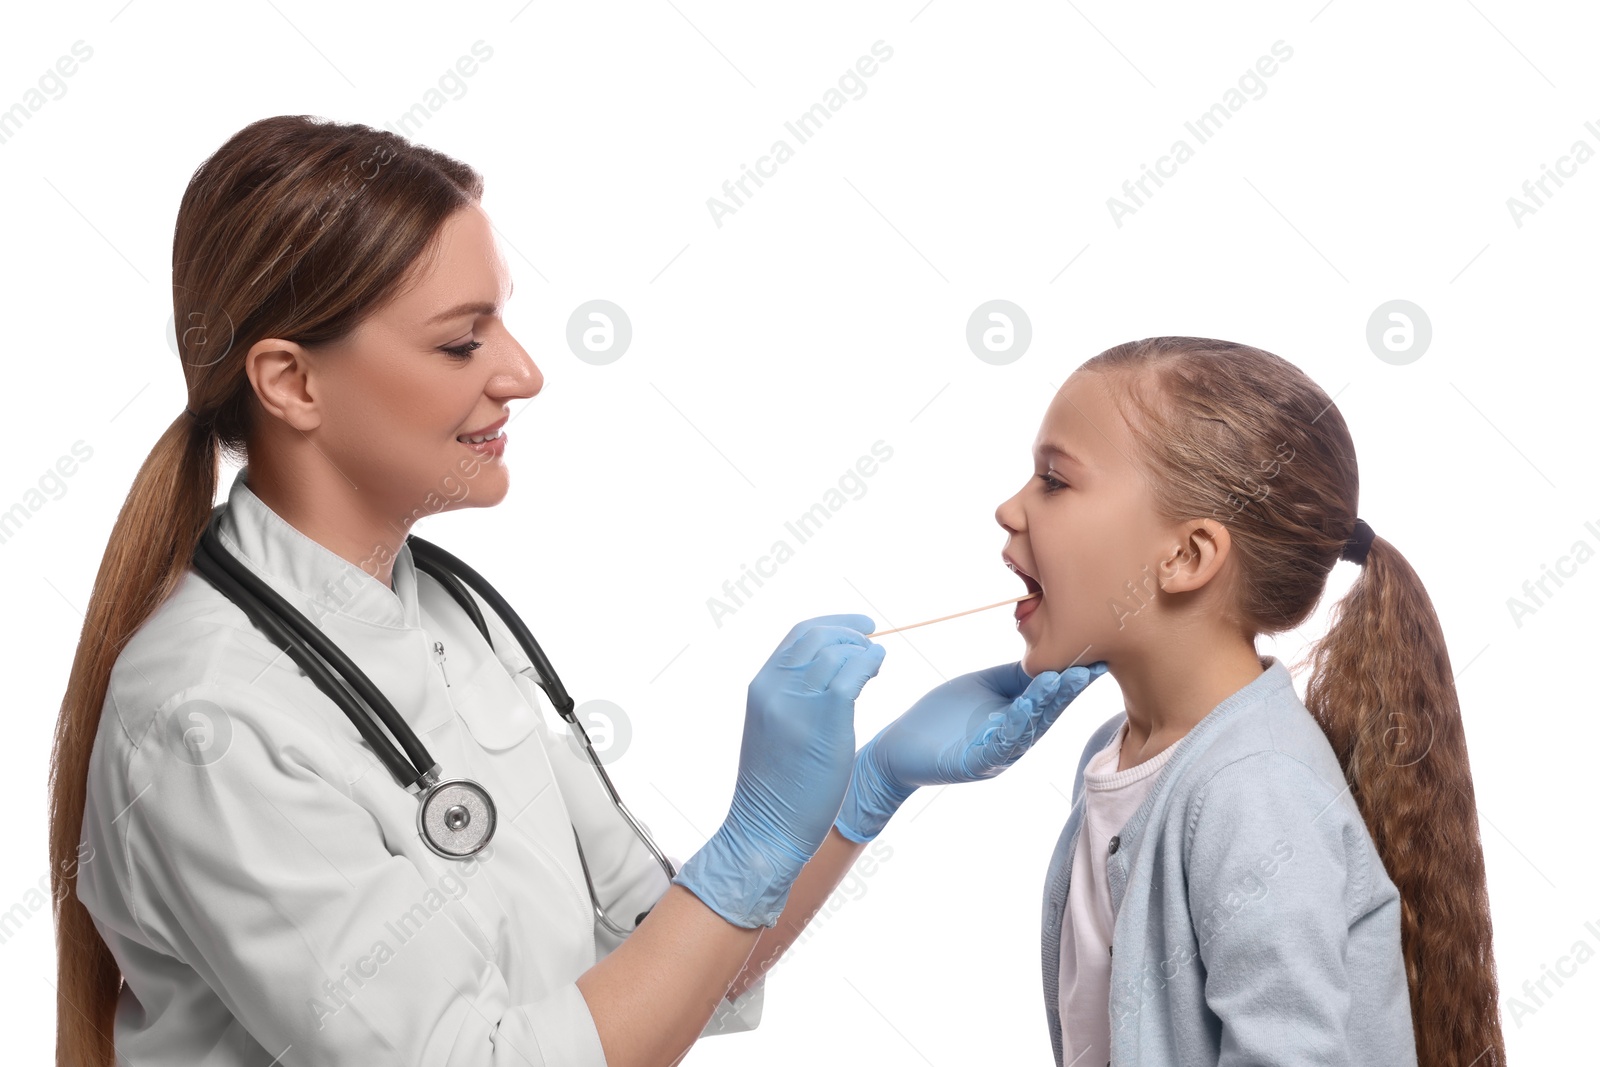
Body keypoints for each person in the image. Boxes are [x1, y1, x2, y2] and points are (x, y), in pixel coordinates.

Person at [45, 114, 1103, 1067]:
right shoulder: (207, 718)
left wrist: (857, 794)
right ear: (291, 382)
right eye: (461, 339)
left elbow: (676, 966)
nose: (520, 371)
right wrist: (753, 841)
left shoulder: (453, 619)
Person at [958, 337, 1503, 1066]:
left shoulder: (1253, 789)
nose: (1008, 508)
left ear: (1187, 556)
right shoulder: (1115, 753)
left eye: (1053, 481)